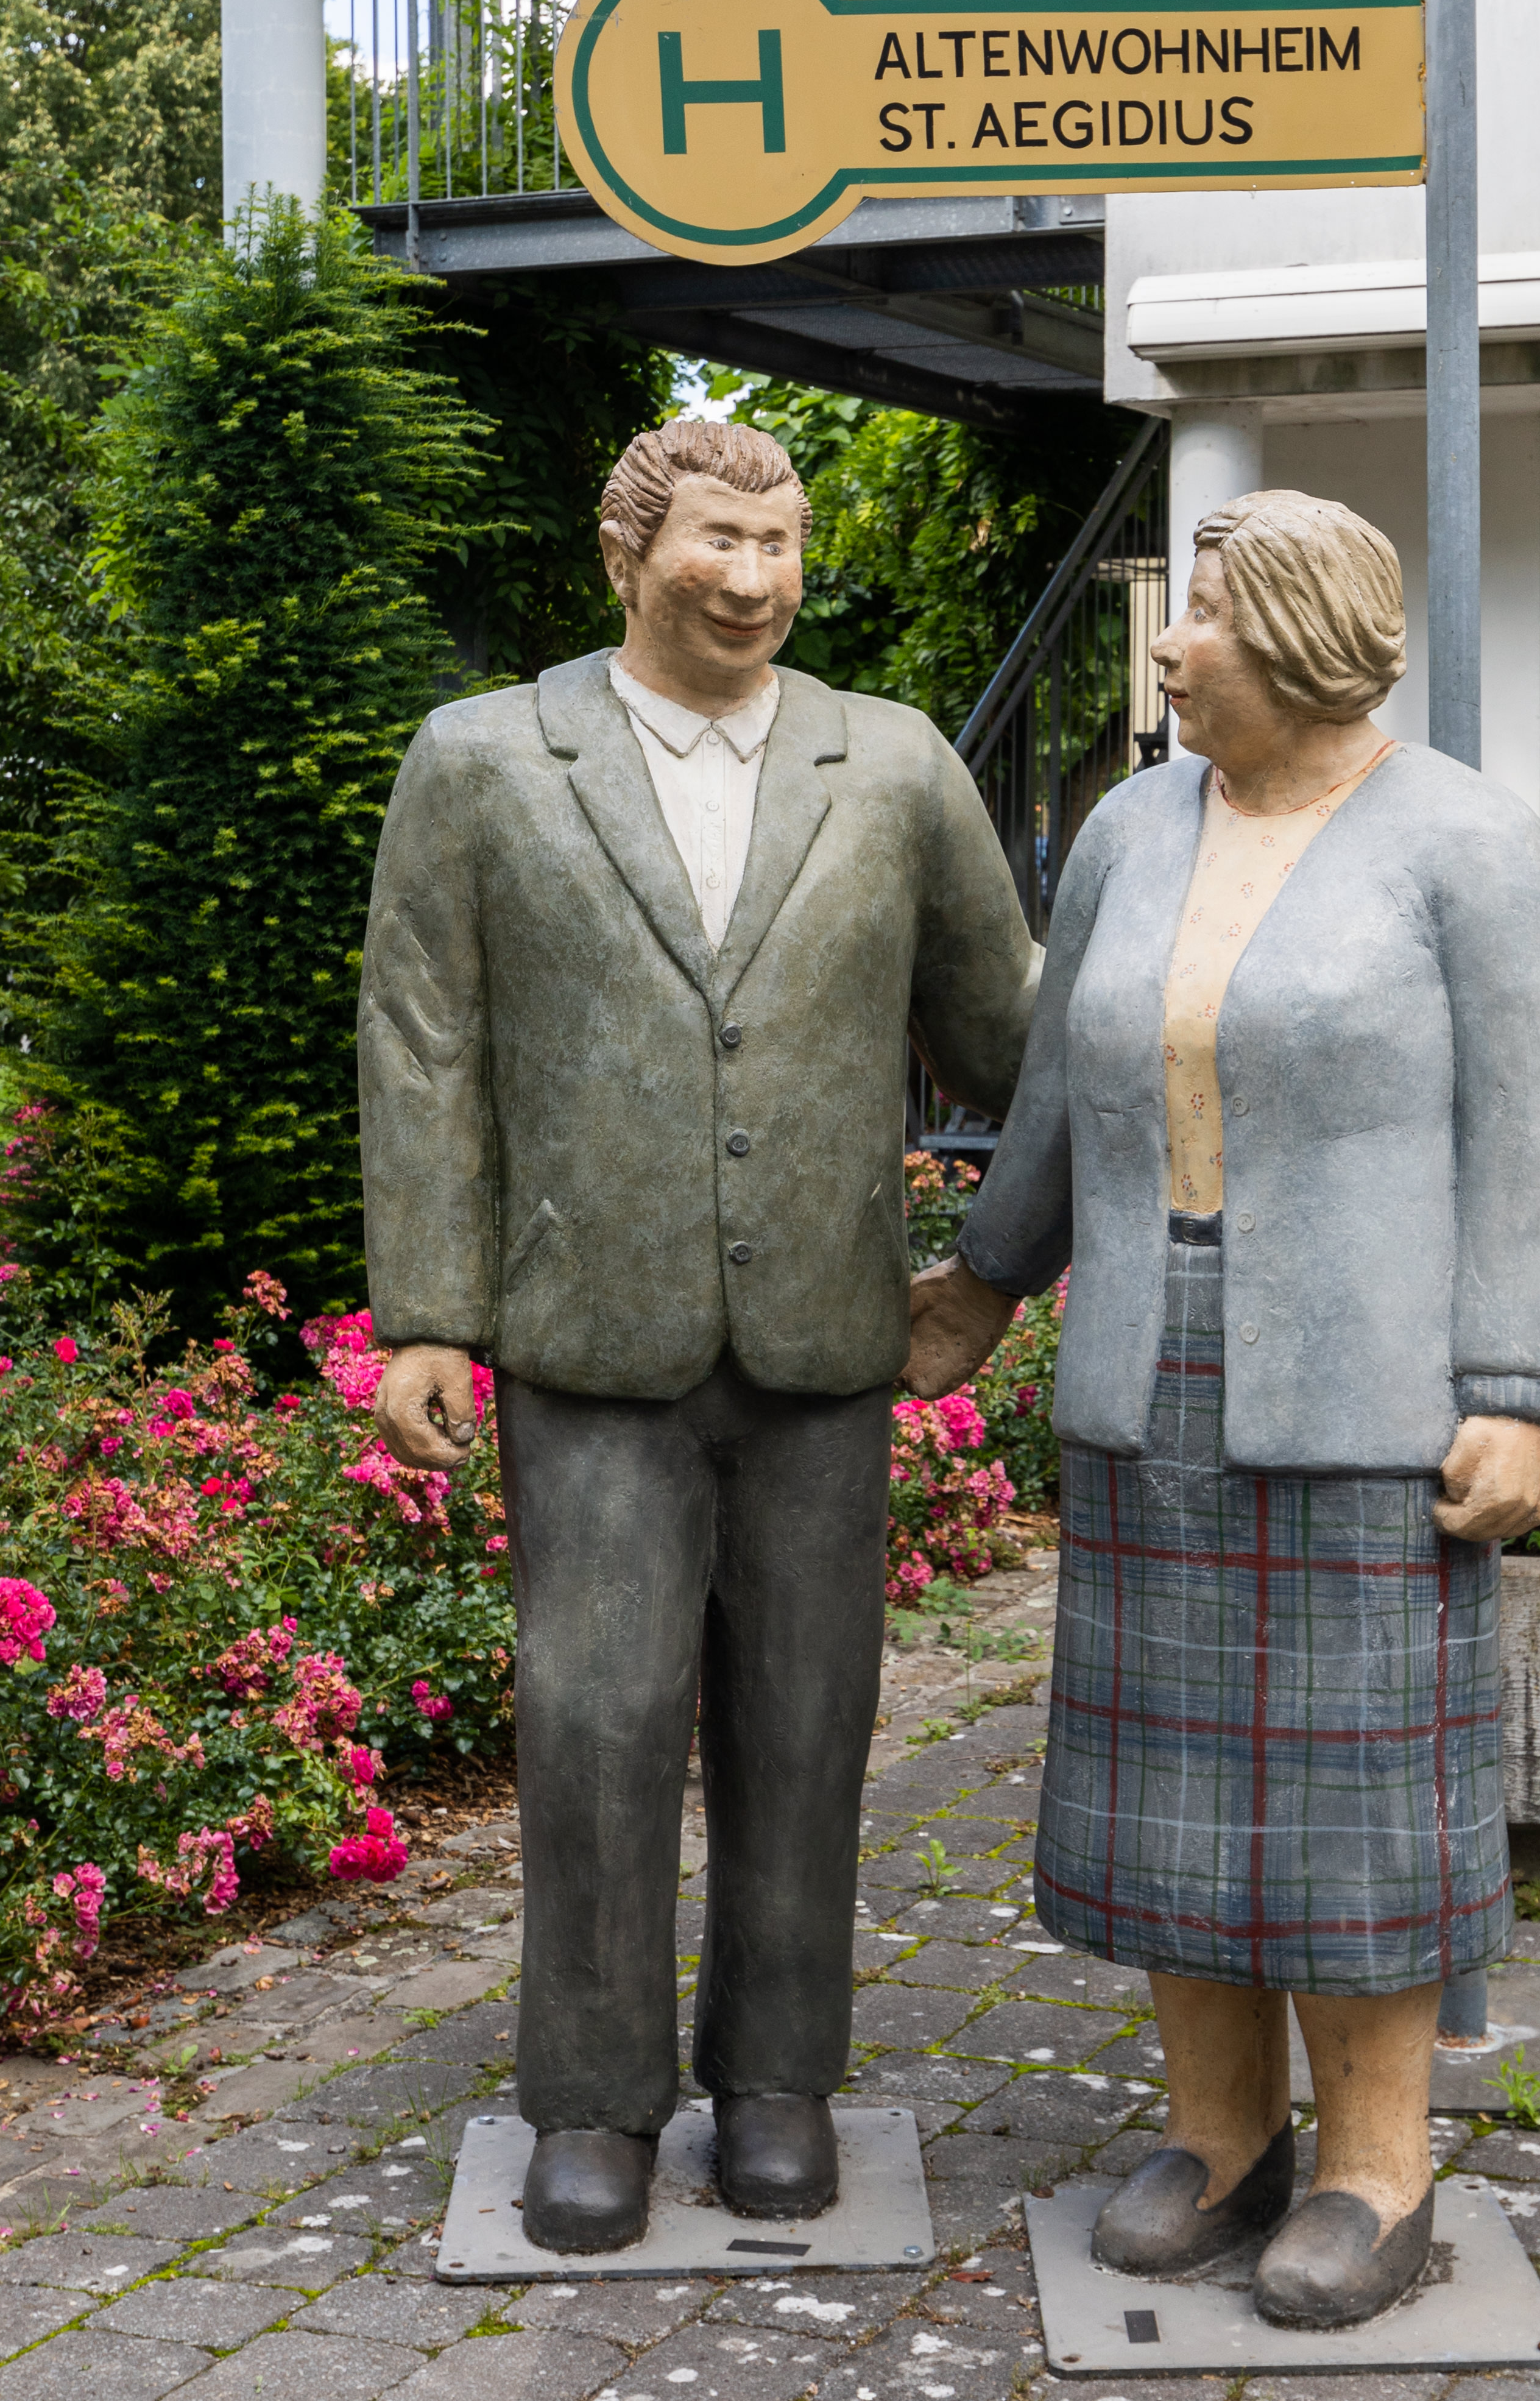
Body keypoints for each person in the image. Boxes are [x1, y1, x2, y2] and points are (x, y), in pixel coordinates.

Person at [905, 489, 1540, 2328]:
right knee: (1174, 1789)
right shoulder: (1131, 831)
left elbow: (1535, 1139)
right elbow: (1059, 1096)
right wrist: (986, 1278)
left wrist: (1514, 1392)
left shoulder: (1466, 843)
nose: (1171, 641)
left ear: (1297, 637)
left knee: (1358, 1803)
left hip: (1371, 1392)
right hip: (1152, 1366)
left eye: (1203, 611)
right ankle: (1220, 2141)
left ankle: (1377, 2169)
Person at [360, 420, 1036, 2254]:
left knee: (809, 1720)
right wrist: (429, 1312)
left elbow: (1013, 1040)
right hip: (587, 1339)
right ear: (627, 552)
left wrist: (1006, 1256)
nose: (752, 576)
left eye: (781, 541)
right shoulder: (484, 760)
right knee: (595, 1719)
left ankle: (779, 2083)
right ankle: (590, 2099)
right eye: (717, 539)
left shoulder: (892, 766)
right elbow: (423, 1047)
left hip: (827, 1342)